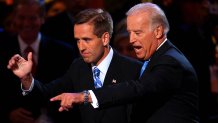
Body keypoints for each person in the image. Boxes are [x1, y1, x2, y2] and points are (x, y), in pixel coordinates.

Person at [43, 2, 199, 123]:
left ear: (158, 31)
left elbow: (138, 88)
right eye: (130, 33)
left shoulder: (170, 62)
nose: (131, 40)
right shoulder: (159, 57)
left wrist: (85, 96)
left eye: (137, 33)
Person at [7, 8, 142, 123]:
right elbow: (46, 94)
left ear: (105, 38)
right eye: (77, 40)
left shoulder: (134, 70)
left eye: (87, 40)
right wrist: (26, 78)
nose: (81, 47)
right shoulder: (79, 67)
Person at [0, 0, 79, 123]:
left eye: (32, 18)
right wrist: (8, 113)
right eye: (21, 17)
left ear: (42, 18)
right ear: (14, 18)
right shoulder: (1, 49)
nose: (26, 23)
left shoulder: (63, 52)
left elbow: (71, 92)